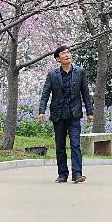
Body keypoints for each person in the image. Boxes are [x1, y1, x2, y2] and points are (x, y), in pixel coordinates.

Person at [39, 45, 93, 183]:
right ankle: (62, 174)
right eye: (63, 53)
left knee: (75, 144)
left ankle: (77, 173)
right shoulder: (52, 75)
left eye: (68, 52)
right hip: (58, 114)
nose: (67, 55)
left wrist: (89, 112)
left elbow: (85, 93)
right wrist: (41, 111)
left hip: (74, 114)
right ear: (58, 59)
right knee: (60, 145)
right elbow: (45, 94)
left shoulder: (80, 72)